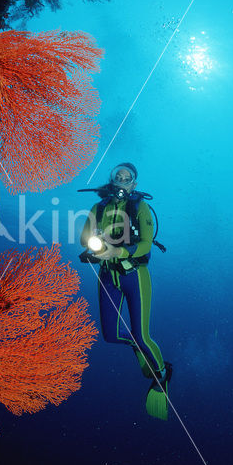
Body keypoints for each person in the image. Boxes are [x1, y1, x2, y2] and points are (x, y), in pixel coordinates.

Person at [80, 162, 172, 420]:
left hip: (135, 276)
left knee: (142, 335)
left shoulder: (140, 207)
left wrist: (119, 251)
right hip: (108, 275)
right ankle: (139, 349)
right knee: (110, 335)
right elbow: (83, 238)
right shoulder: (98, 208)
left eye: (127, 177)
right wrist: (94, 248)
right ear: (112, 180)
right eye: (117, 176)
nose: (121, 180)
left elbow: (145, 245)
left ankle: (163, 374)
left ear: (134, 183)